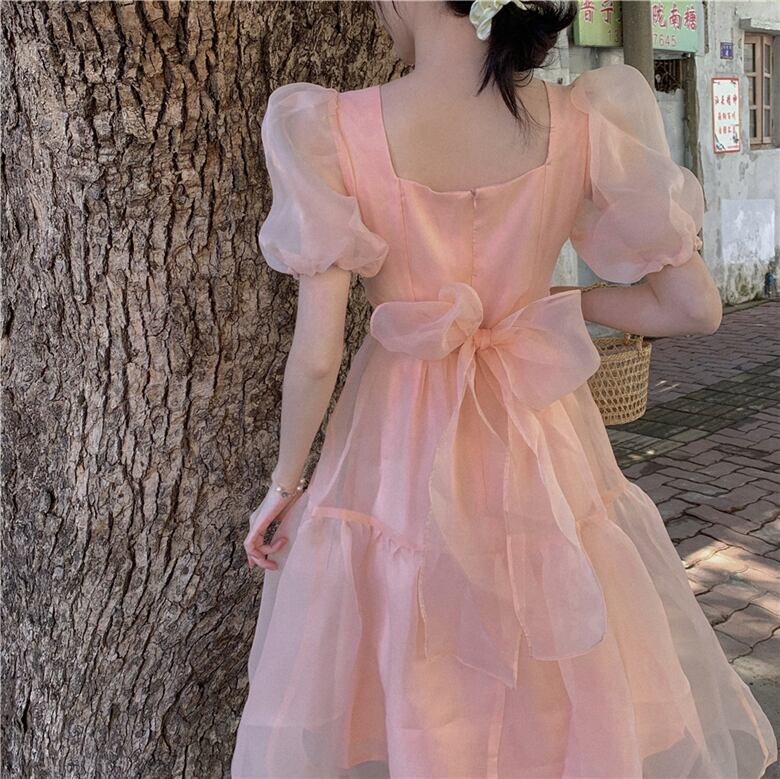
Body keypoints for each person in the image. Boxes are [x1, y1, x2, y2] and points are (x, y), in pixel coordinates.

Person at [232, 2, 778, 777]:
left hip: (397, 447)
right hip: (541, 431)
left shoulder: (332, 129)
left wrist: (285, 484)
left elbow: (318, 356)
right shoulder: (585, 118)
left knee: (417, 638)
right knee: (550, 634)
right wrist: (562, 301)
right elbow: (694, 308)